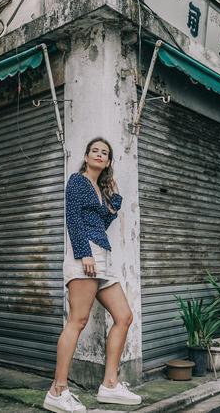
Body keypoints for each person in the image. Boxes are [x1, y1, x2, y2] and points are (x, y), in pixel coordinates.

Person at [44, 138, 141, 413]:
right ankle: (57, 390)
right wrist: (83, 252)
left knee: (124, 316)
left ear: (108, 162)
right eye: (95, 151)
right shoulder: (77, 181)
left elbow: (104, 220)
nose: (100, 155)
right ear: (86, 156)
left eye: (105, 153)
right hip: (85, 255)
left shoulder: (100, 189)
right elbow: (72, 217)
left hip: (104, 256)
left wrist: (115, 196)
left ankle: (109, 384)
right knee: (78, 320)